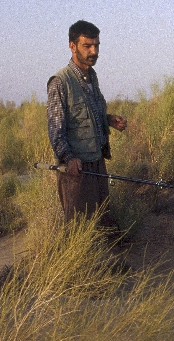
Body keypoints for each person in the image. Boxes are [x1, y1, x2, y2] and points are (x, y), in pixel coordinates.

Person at [47, 20, 127, 225]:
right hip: (77, 170)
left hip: (97, 163)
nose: (94, 51)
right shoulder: (60, 82)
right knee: (78, 228)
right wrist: (69, 158)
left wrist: (109, 120)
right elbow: (56, 130)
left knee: (101, 221)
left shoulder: (92, 77)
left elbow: (90, 114)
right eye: (87, 46)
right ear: (72, 46)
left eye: (97, 45)